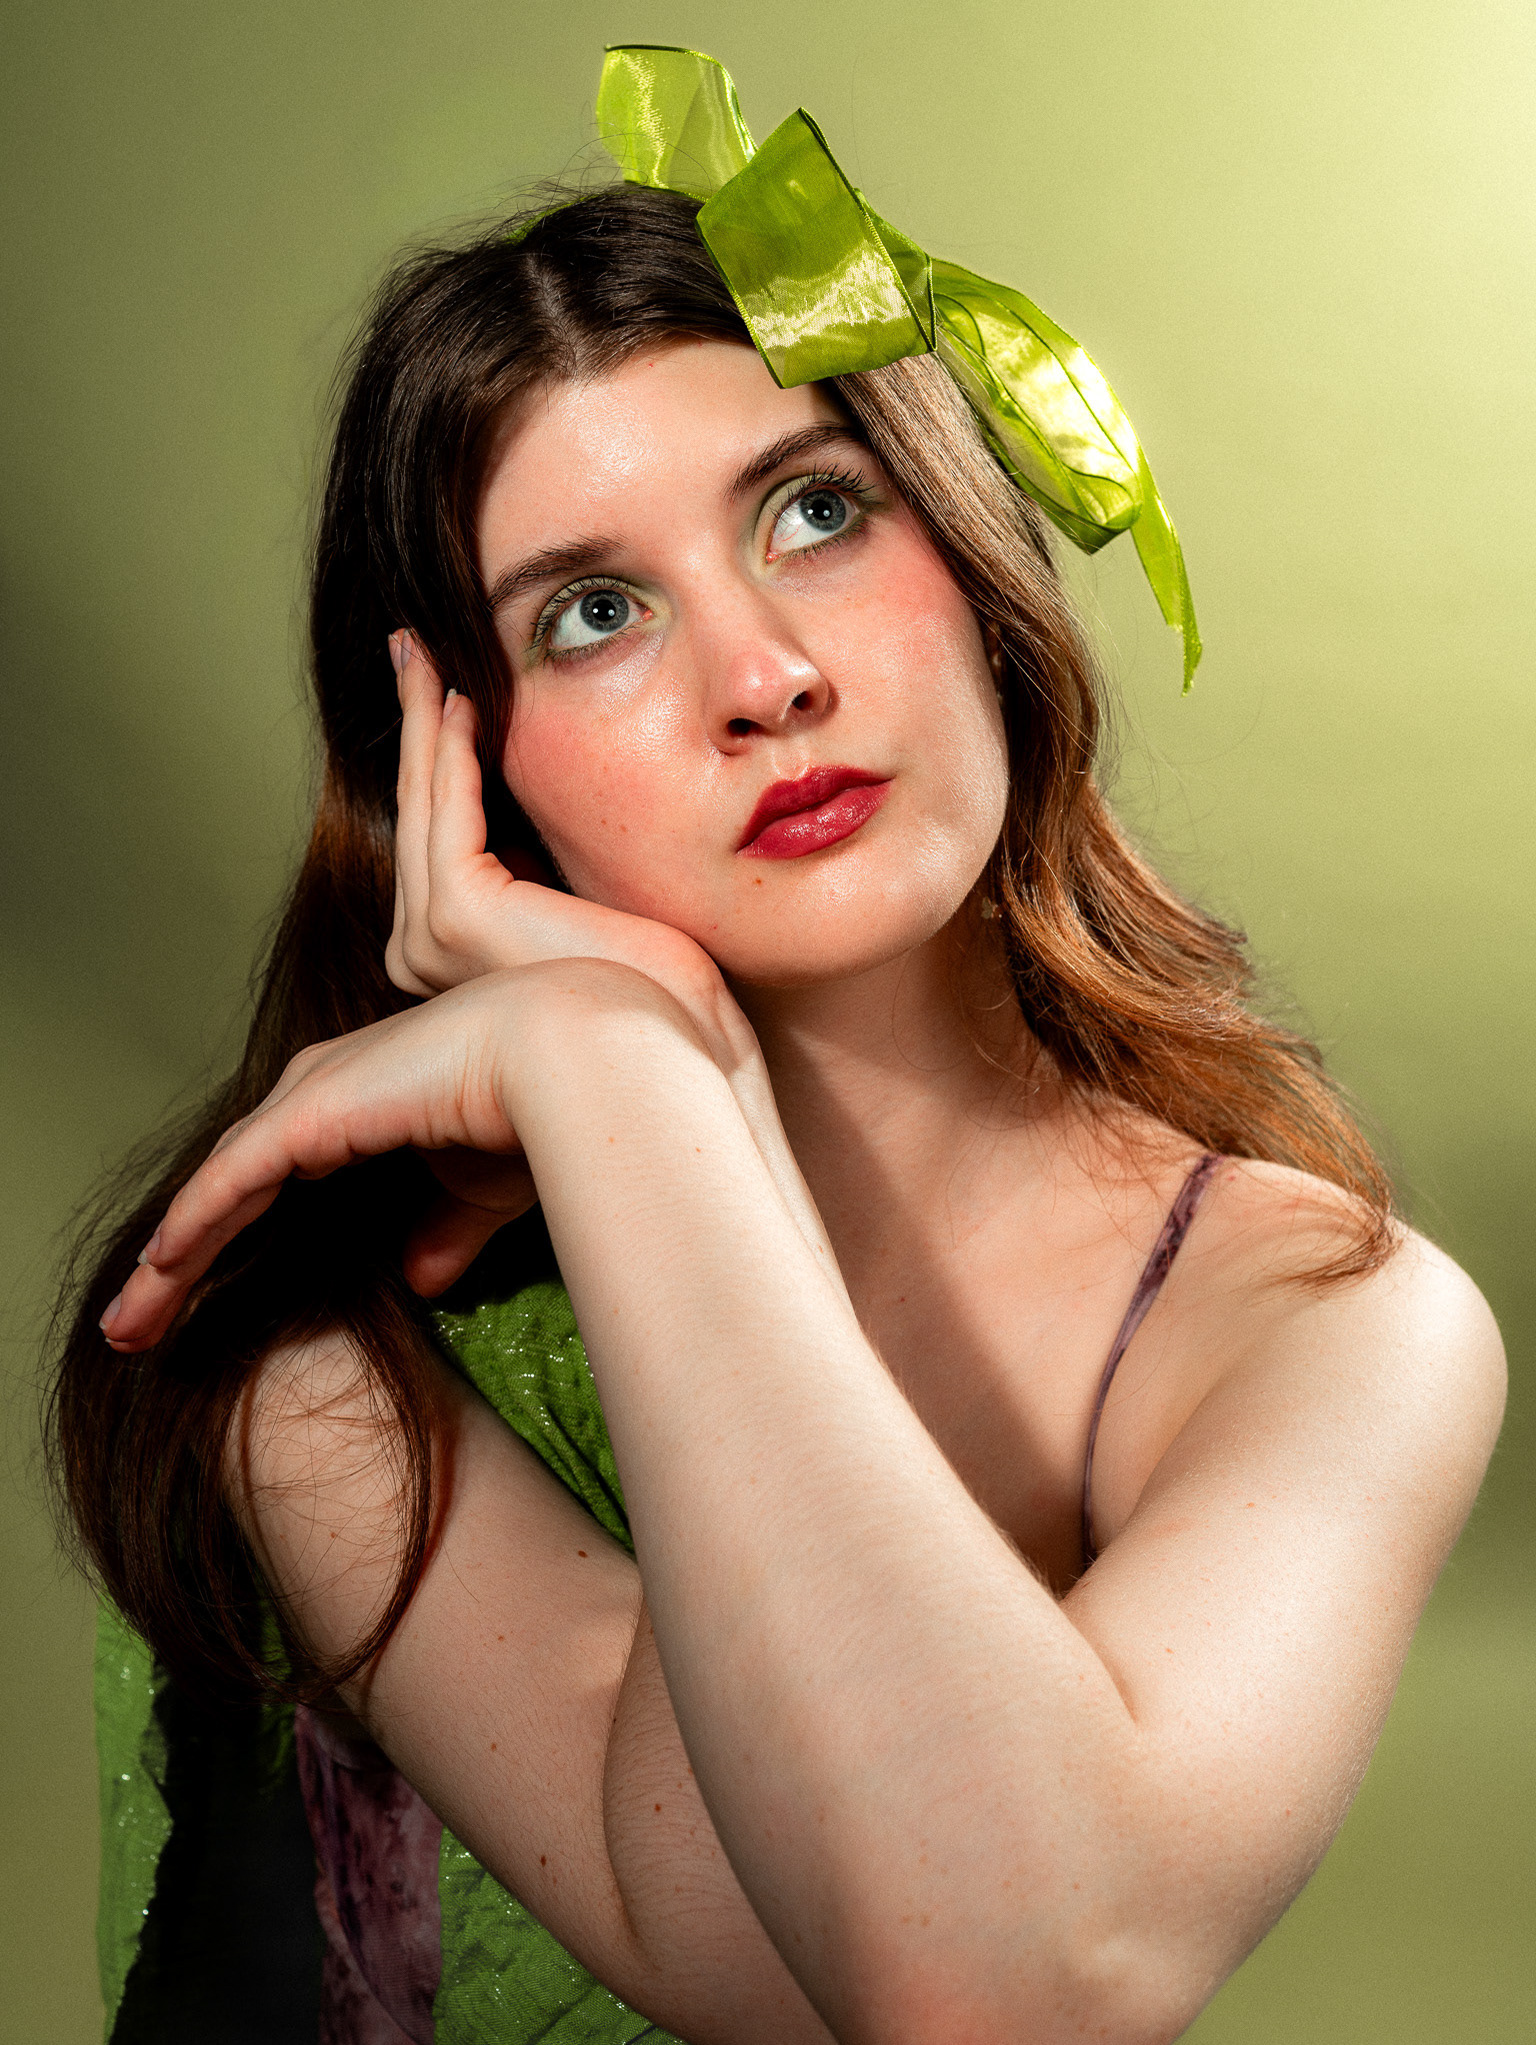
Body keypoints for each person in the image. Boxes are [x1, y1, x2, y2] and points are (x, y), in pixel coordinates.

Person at [48, 47, 1504, 2045]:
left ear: (977, 562)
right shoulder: (324, 1342)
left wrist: (648, 1084)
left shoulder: (1333, 1325)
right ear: (464, 771)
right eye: (590, 615)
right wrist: (638, 1084)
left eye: (818, 511)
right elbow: (763, 1940)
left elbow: (1009, 1979)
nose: (764, 676)